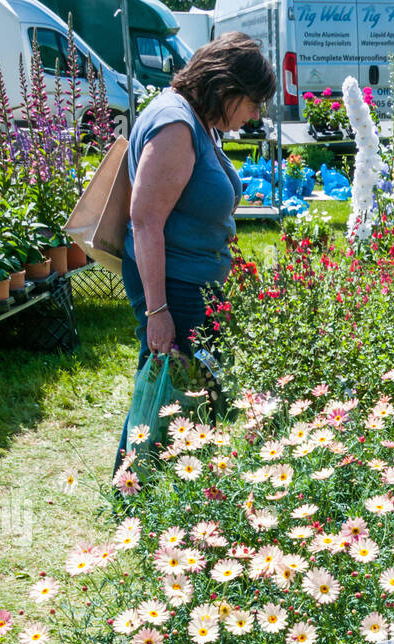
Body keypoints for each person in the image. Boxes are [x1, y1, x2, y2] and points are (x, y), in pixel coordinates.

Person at [117, 32, 276, 462]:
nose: (253, 114)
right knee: (172, 393)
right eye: (252, 102)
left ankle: (151, 496)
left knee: (181, 395)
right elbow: (145, 219)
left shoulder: (197, 119)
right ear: (225, 86)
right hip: (176, 284)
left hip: (193, 281)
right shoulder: (175, 124)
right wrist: (157, 311)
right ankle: (138, 495)